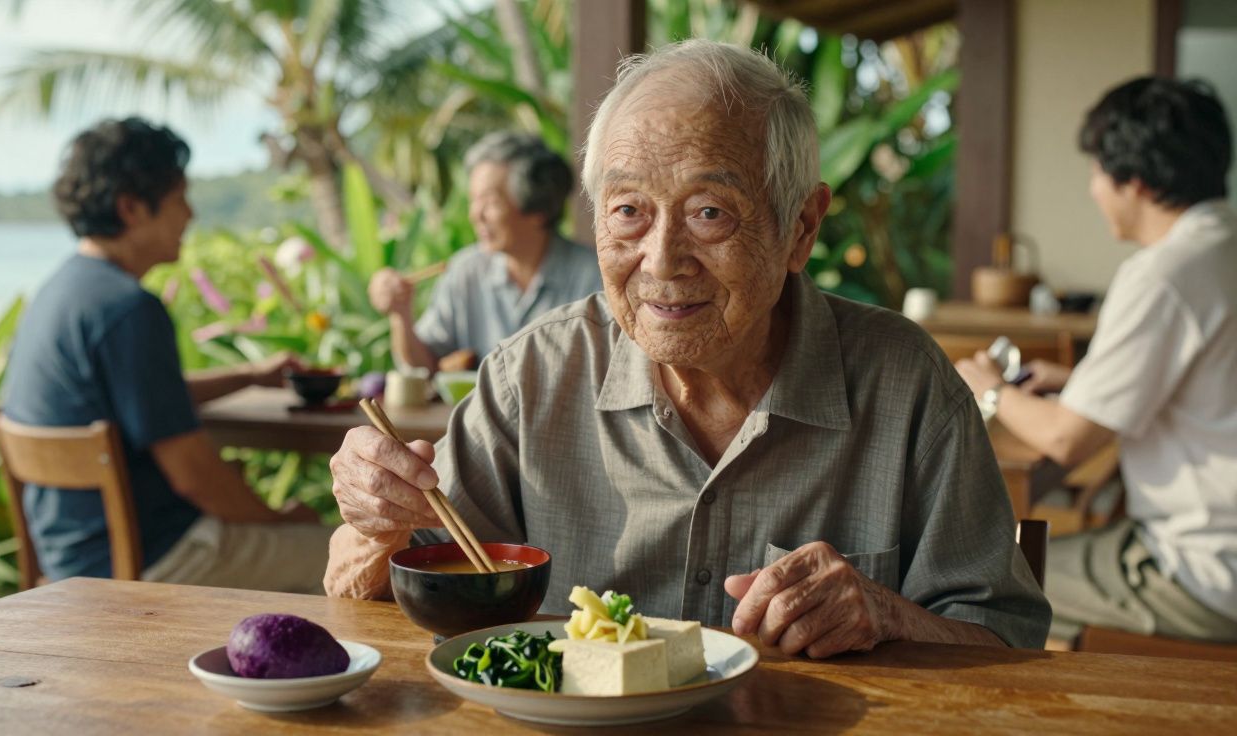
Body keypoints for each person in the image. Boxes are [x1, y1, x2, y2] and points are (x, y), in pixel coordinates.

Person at [328, 40, 1049, 656]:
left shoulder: (906, 384)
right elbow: (378, 590)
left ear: (801, 228)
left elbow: (1009, 642)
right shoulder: (532, 379)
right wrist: (375, 523)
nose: (662, 259)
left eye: (709, 213)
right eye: (628, 212)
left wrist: (886, 616)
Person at [956, 77, 1237, 643]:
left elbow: (1064, 440)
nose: (1093, 189)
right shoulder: (1222, 245)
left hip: (1206, 569)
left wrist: (991, 389)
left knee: (993, 581)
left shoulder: (1165, 274)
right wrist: (1082, 381)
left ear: (1134, 181)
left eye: (1097, 172)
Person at [1, 117, 333, 593]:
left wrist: (248, 376)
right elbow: (194, 477)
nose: (190, 216)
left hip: (70, 561)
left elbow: (137, 400)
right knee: (366, 559)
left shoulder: (61, 292)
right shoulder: (127, 309)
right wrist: (278, 519)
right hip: (151, 560)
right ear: (132, 208)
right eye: (180, 199)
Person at [367, 132, 603, 373]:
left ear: (538, 208)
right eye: (473, 200)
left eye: (489, 202)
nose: (475, 215)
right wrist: (401, 315)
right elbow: (423, 365)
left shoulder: (594, 277)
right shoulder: (465, 272)